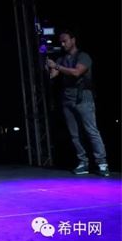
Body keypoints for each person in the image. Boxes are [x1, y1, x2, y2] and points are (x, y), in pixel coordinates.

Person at [46, 29, 109, 177]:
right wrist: (48, 67)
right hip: (67, 97)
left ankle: (102, 163)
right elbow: (52, 76)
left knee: (91, 131)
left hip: (83, 96)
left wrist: (57, 66)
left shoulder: (83, 56)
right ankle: (83, 162)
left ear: (73, 40)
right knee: (74, 134)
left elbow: (77, 72)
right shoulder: (61, 59)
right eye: (61, 42)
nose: (62, 44)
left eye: (65, 41)